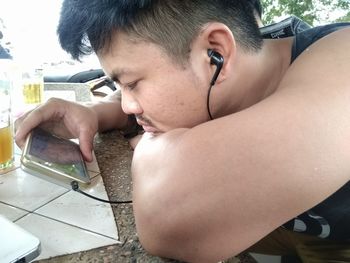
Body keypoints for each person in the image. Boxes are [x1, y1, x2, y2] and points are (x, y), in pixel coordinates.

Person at [15, 1, 350, 262]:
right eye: (121, 85)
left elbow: (166, 217)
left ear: (215, 53)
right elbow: (153, 92)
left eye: (132, 83)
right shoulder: (246, 62)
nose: (129, 105)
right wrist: (96, 112)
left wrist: (153, 144)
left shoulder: (341, 64)